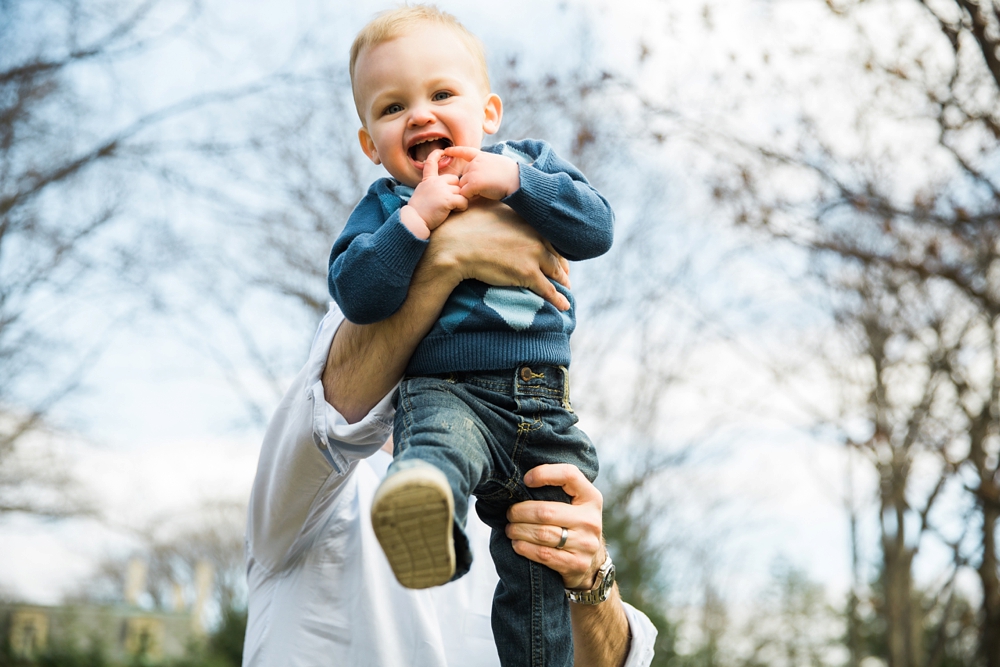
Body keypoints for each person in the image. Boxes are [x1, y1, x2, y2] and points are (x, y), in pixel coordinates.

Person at [243, 203, 656, 666]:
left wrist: (591, 580)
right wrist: (450, 252)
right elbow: (338, 387)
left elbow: (619, 659)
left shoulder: (525, 480)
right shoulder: (305, 483)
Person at [327, 8, 614, 665]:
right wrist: (416, 224)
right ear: (372, 143)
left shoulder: (528, 167)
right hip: (449, 390)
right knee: (437, 450)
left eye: (442, 94)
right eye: (393, 106)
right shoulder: (384, 207)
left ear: (488, 112)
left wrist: (514, 183)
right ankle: (423, 511)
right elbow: (359, 295)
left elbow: (596, 228)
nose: (420, 114)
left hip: (543, 402)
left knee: (540, 554)